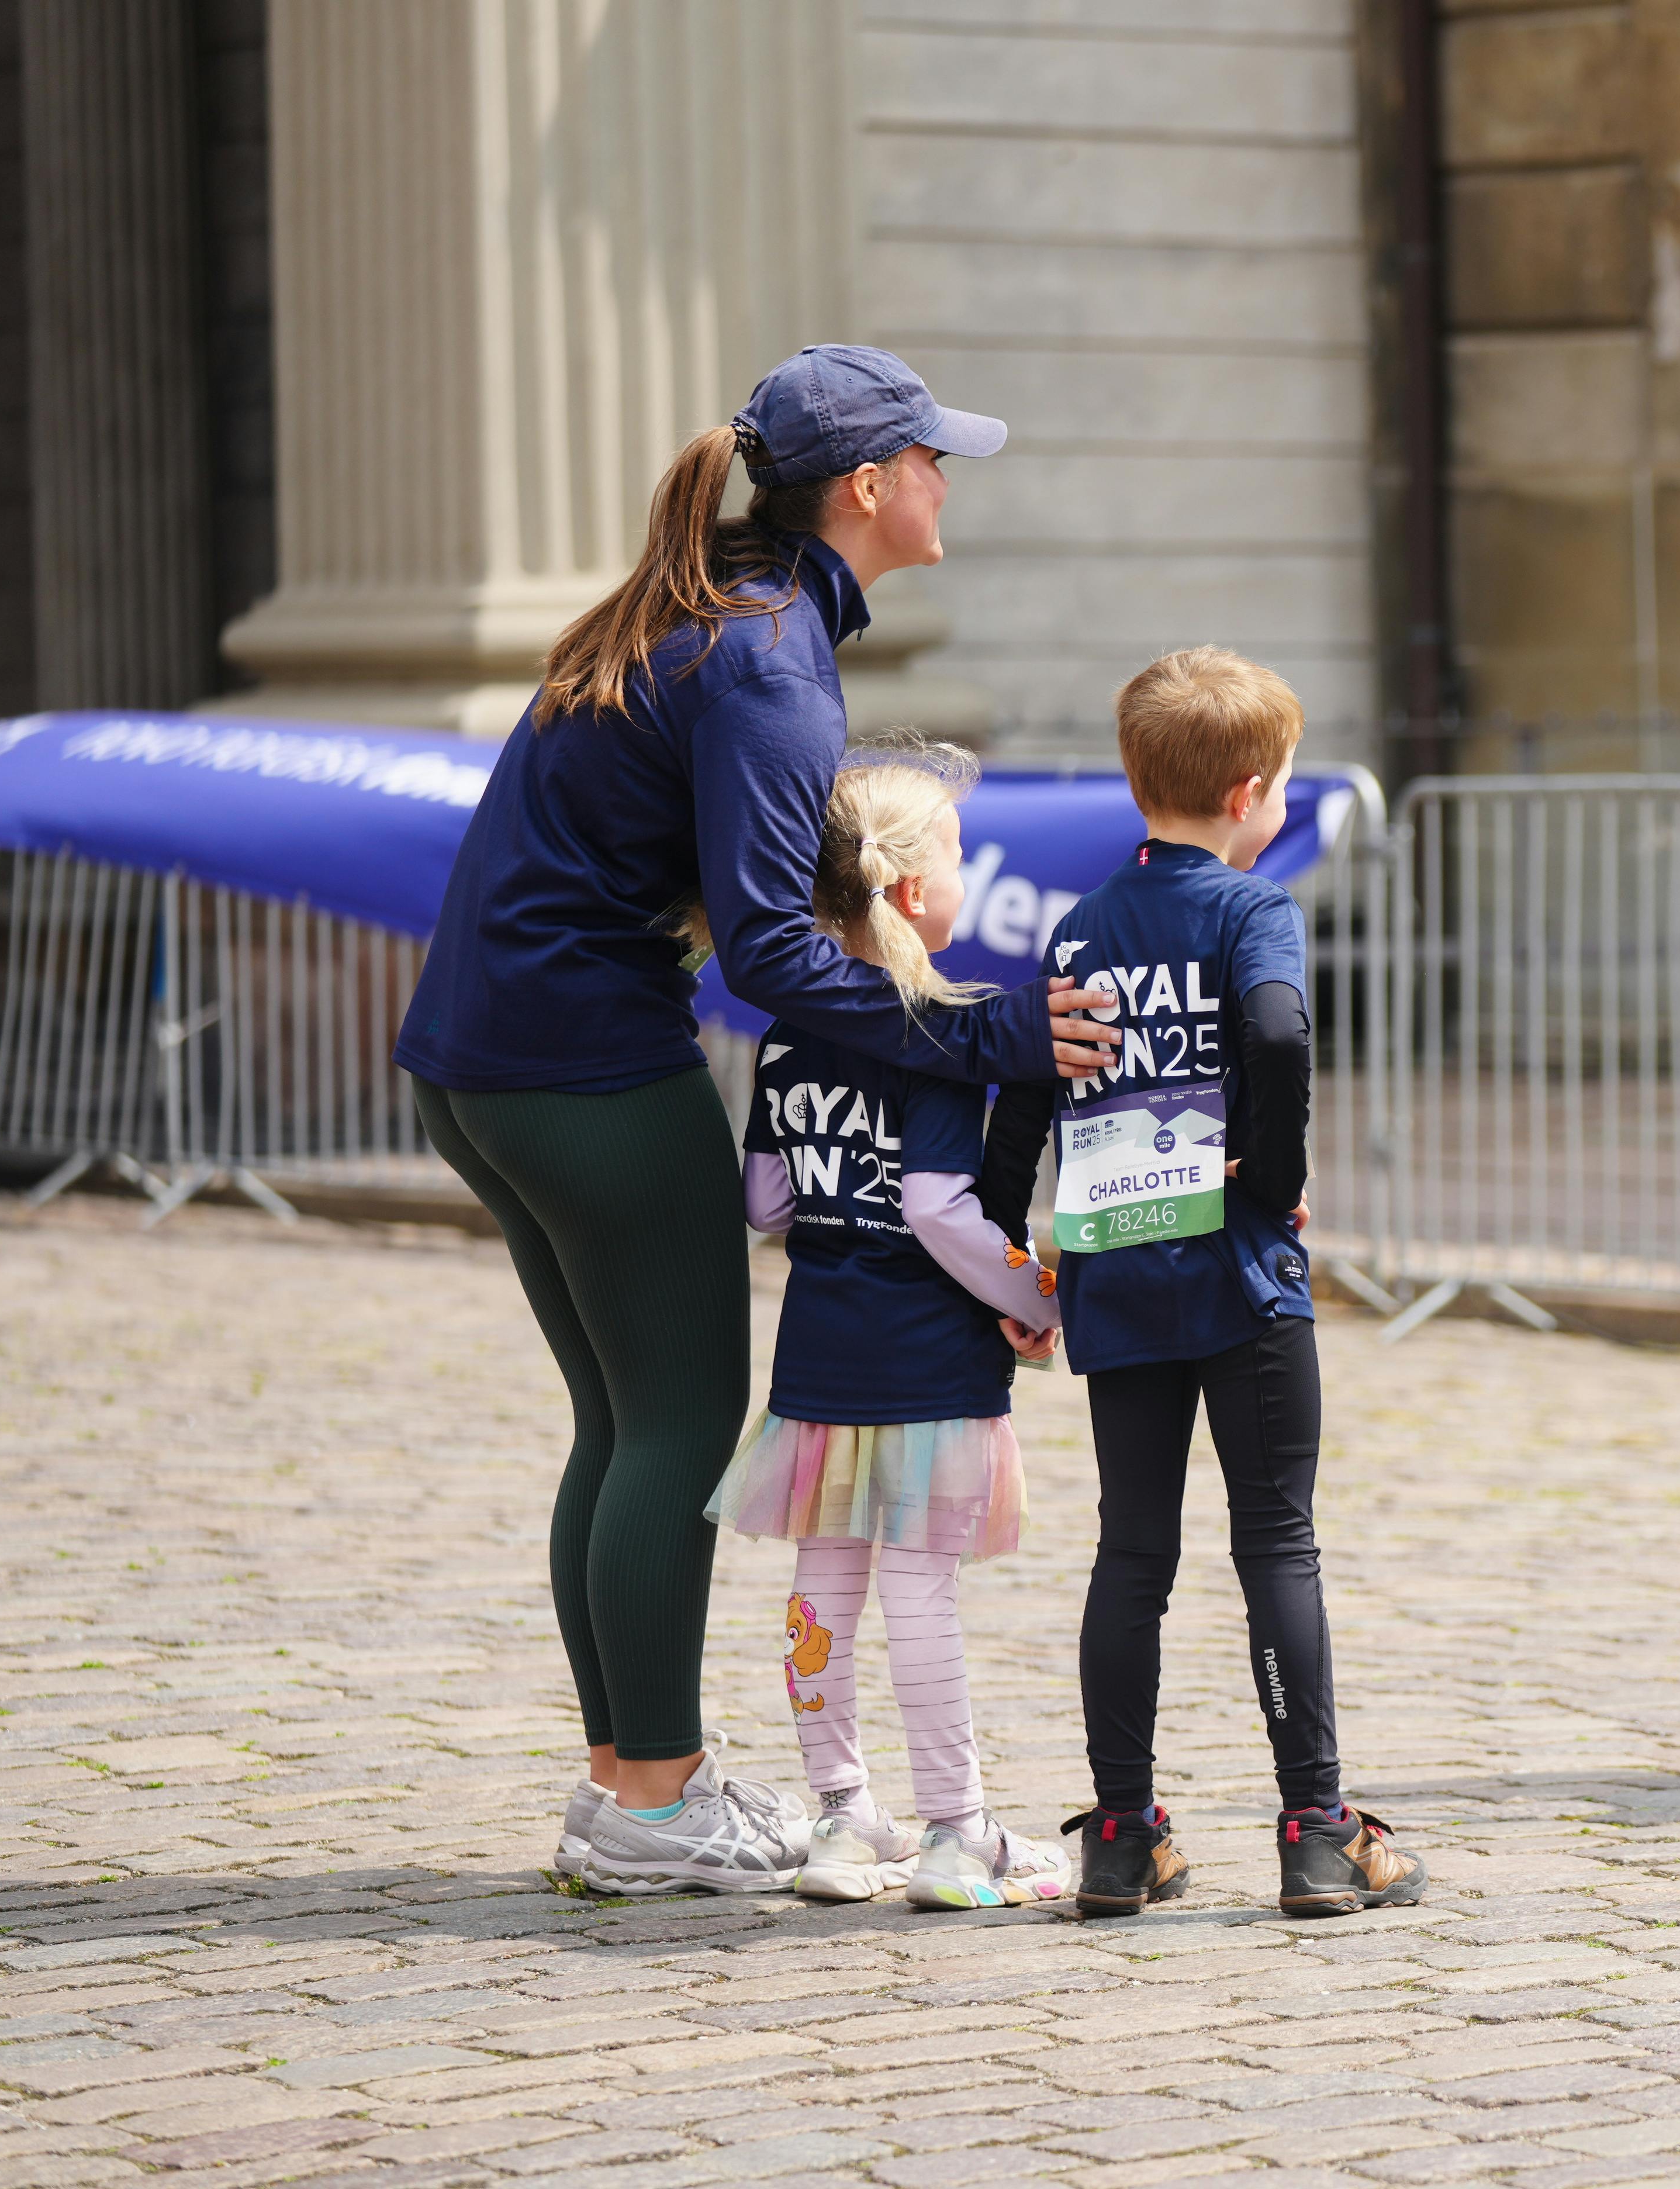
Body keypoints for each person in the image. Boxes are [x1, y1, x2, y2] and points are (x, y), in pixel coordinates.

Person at [397, 346, 1118, 1893]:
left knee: (618, 1427)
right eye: (933, 460)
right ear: (868, 489)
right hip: (584, 1067)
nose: (946, 483)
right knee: (667, 1428)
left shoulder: (727, 609)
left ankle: (627, 1792)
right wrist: (991, 1032)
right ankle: (653, 1807)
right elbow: (780, 951)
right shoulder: (772, 658)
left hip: (481, 1057)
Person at [977, 647, 1426, 1918]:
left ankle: (1122, 1833)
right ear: (1249, 793)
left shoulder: (1081, 925)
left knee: (1134, 1550)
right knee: (1276, 1540)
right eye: (1281, 780)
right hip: (1236, 1270)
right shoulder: (1252, 906)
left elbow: (1022, 1087)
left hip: (1117, 1272)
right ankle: (1318, 1829)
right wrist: (1274, 1177)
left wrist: (1018, 1255)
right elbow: (1279, 1032)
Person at [690, 738, 1073, 1911]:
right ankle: (961, 1831)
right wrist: (1036, 1296)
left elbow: (764, 1198)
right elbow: (938, 1208)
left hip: (819, 1360)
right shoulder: (941, 1029)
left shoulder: (796, 1034)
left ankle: (844, 1817)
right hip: (925, 1362)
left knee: (824, 1595)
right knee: (920, 1595)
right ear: (912, 889)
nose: (965, 875)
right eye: (956, 855)